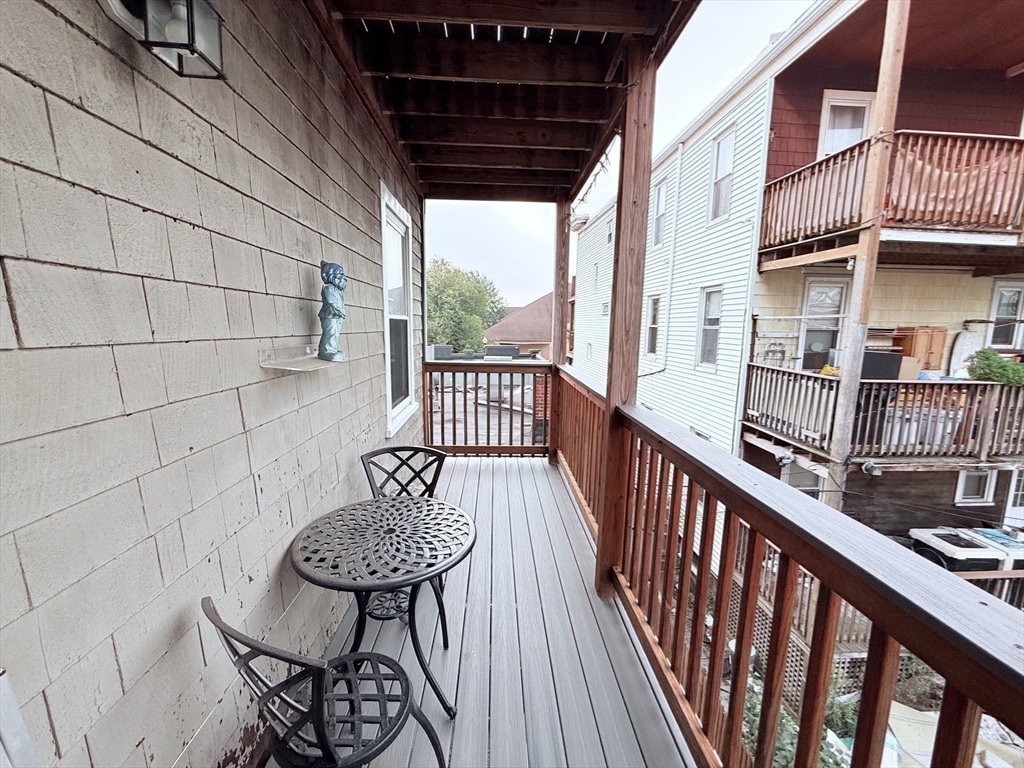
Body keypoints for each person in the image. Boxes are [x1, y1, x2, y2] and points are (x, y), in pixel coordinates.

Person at [317, 260, 348, 361]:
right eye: (339, 274)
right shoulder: (329, 288)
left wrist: (340, 313)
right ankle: (326, 351)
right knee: (331, 332)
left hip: (337, 316)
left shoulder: (337, 290)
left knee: (336, 333)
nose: (342, 277)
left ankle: (332, 349)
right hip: (329, 315)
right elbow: (332, 302)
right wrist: (340, 311)